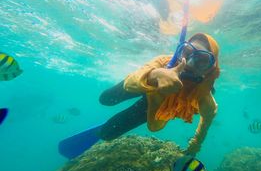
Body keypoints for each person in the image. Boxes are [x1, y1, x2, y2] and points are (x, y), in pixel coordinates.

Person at [59, 33, 220, 158]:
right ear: (180, 50)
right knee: (106, 98)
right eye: (187, 52)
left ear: (210, 69)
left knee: (108, 134)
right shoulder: (165, 62)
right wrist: (155, 75)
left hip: (154, 103)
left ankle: (100, 130)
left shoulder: (204, 98)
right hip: (144, 83)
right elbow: (132, 80)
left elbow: (207, 120)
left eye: (202, 60)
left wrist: (195, 145)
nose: (189, 62)